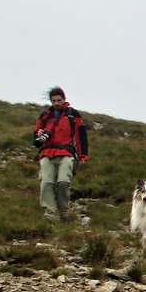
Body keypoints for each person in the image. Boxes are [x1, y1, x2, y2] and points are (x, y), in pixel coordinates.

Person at [33, 87, 89, 222]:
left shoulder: (72, 114)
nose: (57, 103)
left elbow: (80, 135)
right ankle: (50, 214)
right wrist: (38, 134)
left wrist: (82, 155)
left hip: (66, 152)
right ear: (50, 101)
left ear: (64, 99)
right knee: (46, 183)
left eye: (59, 100)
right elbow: (36, 135)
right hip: (47, 153)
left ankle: (63, 213)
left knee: (63, 182)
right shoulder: (45, 115)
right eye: (54, 101)